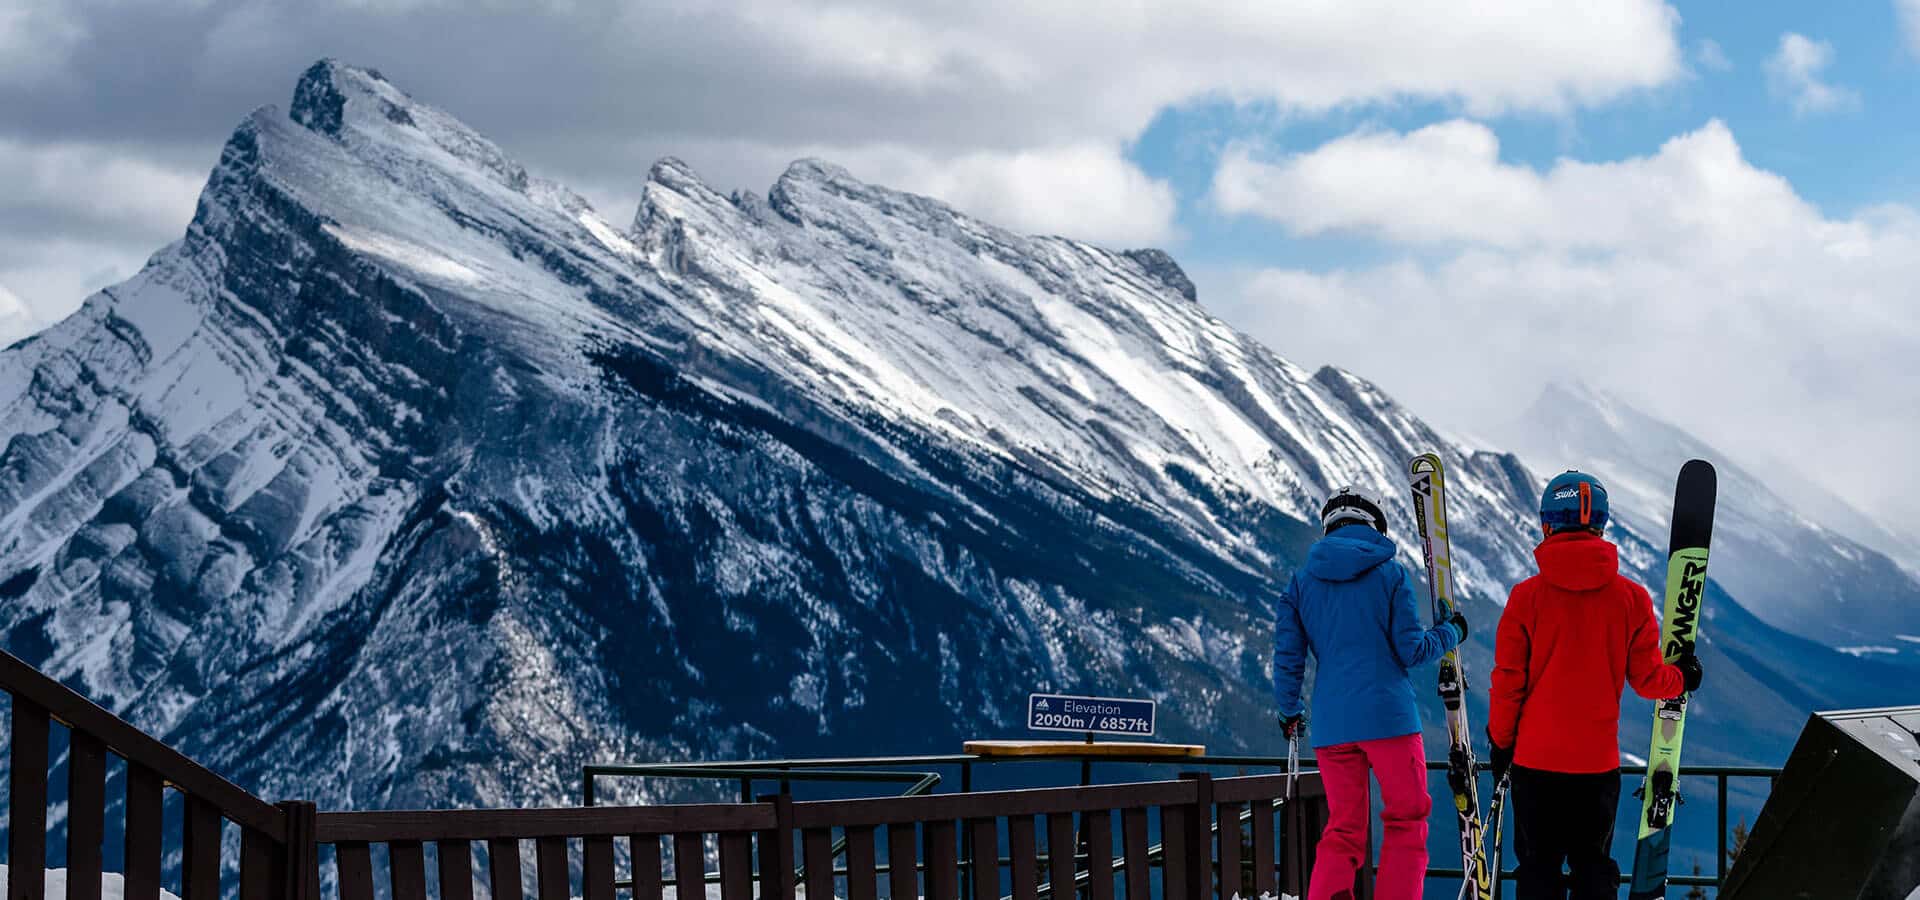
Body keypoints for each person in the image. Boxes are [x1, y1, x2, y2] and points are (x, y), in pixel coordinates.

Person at [1487, 470, 1706, 900]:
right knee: (1593, 866)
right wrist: (1683, 676)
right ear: (1601, 525)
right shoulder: (1631, 598)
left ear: (1547, 525)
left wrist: (1501, 743)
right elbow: (1648, 681)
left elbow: (1508, 682)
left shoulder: (1525, 598)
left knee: (1537, 868)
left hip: (1535, 763)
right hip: (1596, 765)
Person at [1273, 487, 1467, 900]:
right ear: (1375, 526)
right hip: (1390, 719)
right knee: (1406, 821)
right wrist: (1452, 631)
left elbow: (1288, 658)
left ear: (1328, 526)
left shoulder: (1301, 582)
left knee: (1343, 828)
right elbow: (1412, 650)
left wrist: (1291, 711)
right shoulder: (1391, 574)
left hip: (1331, 726)